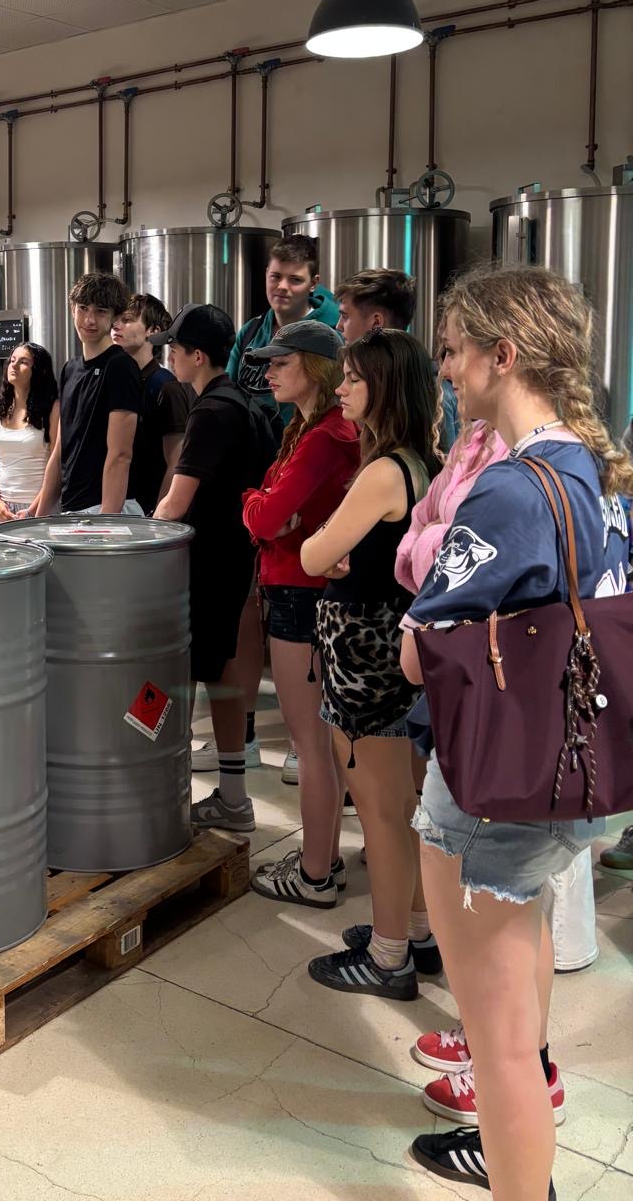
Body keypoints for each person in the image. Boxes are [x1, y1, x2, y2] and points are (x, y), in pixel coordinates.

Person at [402, 265, 631, 1201]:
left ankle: (519, 1177)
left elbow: (419, 652)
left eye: (457, 352)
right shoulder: (594, 470)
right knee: (523, 965)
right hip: (571, 769)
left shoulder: (506, 491)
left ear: (504, 356)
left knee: (494, 1050)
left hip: (492, 793)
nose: (446, 371)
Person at [297, 328, 439, 1000]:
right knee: (403, 805)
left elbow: (312, 555)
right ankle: (416, 930)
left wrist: (324, 543)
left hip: (365, 658)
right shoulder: (423, 463)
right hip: (397, 646)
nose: (343, 388)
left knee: (382, 813)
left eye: (354, 378)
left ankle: (388, 957)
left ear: (384, 388)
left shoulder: (383, 472)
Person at [240, 321, 359, 905]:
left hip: (299, 593)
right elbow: (269, 511)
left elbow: (266, 518)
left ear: (314, 368)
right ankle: (324, 859)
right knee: (322, 743)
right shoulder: (314, 429)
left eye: (280, 362)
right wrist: (264, 508)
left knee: (311, 743)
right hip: (309, 590)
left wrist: (255, 505)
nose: (269, 373)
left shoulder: (323, 438)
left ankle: (314, 876)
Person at [151, 305, 277, 832]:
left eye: (174, 348)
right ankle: (233, 794)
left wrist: (134, 541)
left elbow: (175, 503)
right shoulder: (243, 403)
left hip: (205, 564)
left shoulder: (211, 411)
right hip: (234, 561)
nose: (169, 357)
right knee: (220, 675)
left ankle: (159, 789)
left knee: (170, 672)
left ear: (197, 355)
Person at [39, 272, 140, 514]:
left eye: (101, 311)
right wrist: (39, 516)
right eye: (83, 308)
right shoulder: (69, 369)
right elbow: (61, 449)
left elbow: (120, 455)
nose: (90, 319)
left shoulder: (120, 367)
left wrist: (107, 521)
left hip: (106, 508)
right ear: (72, 309)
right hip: (72, 508)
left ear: (115, 316)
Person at [227, 236, 341, 436]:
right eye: (276, 276)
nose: (282, 286)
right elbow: (229, 394)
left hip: (309, 446)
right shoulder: (250, 331)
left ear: (313, 283)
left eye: (295, 279)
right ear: (266, 274)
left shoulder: (334, 336)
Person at [336, 267, 459, 448]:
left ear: (376, 323)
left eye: (345, 316)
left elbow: (440, 462)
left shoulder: (431, 391)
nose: (338, 326)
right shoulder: (379, 382)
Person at [113, 292, 192, 515]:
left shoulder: (165, 386)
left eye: (127, 320)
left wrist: (157, 518)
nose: (116, 325)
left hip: (145, 512)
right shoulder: (119, 382)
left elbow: (176, 462)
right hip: (115, 507)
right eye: (116, 319)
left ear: (153, 331)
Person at [0, 342, 59, 520]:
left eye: (23, 362)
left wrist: (32, 511)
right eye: (12, 360)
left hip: (41, 506)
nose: (13, 365)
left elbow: (57, 465)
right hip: (2, 507)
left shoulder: (52, 408)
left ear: (38, 371)